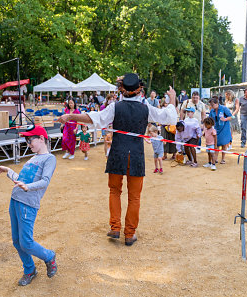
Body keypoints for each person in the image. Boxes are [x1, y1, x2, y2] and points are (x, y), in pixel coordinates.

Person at [58, 73, 178, 246]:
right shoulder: (146, 108)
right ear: (140, 90)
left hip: (117, 153)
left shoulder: (115, 107)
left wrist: (70, 116)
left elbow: (94, 118)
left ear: (122, 89)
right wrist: (172, 99)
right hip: (136, 155)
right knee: (134, 197)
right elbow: (169, 117)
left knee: (114, 191)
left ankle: (115, 227)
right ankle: (129, 234)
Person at [0, 125, 57, 286]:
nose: (28, 144)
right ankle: (29, 270)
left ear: (42, 139)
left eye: (30, 140)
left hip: (28, 204)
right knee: (16, 241)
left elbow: (45, 181)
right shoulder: (33, 158)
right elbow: (20, 180)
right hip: (15, 200)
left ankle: (49, 256)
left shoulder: (49, 158)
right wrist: (8, 170)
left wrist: (28, 187)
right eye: (27, 141)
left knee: (26, 242)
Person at [209, 97, 233, 164]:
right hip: (216, 128)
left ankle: (223, 159)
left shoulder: (224, 108)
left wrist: (225, 119)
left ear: (217, 103)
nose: (211, 106)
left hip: (225, 128)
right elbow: (210, 119)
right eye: (211, 105)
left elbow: (232, 116)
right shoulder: (212, 110)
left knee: (224, 143)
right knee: (216, 143)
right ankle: (215, 158)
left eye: (212, 105)